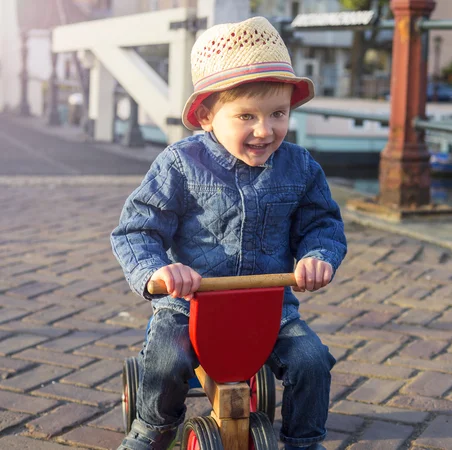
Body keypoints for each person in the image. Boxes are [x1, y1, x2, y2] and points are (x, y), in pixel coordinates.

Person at [110, 15, 347, 450]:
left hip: (270, 306)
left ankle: (303, 441)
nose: (265, 129)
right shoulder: (181, 165)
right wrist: (160, 271)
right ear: (206, 116)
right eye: (246, 116)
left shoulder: (300, 167)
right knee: (166, 360)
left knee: (312, 361)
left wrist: (318, 256)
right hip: (191, 303)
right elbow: (135, 230)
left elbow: (322, 224)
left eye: (278, 113)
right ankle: (154, 427)